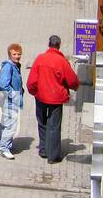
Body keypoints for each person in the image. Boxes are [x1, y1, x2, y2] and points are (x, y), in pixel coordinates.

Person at [25, 34, 79, 164]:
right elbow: (72, 80)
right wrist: (75, 87)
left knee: (42, 122)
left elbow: (31, 81)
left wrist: (34, 92)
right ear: (59, 45)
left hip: (41, 97)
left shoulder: (40, 59)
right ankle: (53, 156)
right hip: (56, 98)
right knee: (54, 126)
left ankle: (43, 149)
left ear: (48, 44)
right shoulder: (61, 61)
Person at [0, 43, 24, 159]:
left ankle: (0, 142)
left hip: (10, 100)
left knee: (5, 122)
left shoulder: (15, 65)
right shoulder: (8, 67)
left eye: (19, 54)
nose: (17, 56)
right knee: (11, 125)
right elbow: (3, 84)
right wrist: (14, 95)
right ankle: (5, 148)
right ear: (9, 54)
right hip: (10, 100)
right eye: (14, 54)